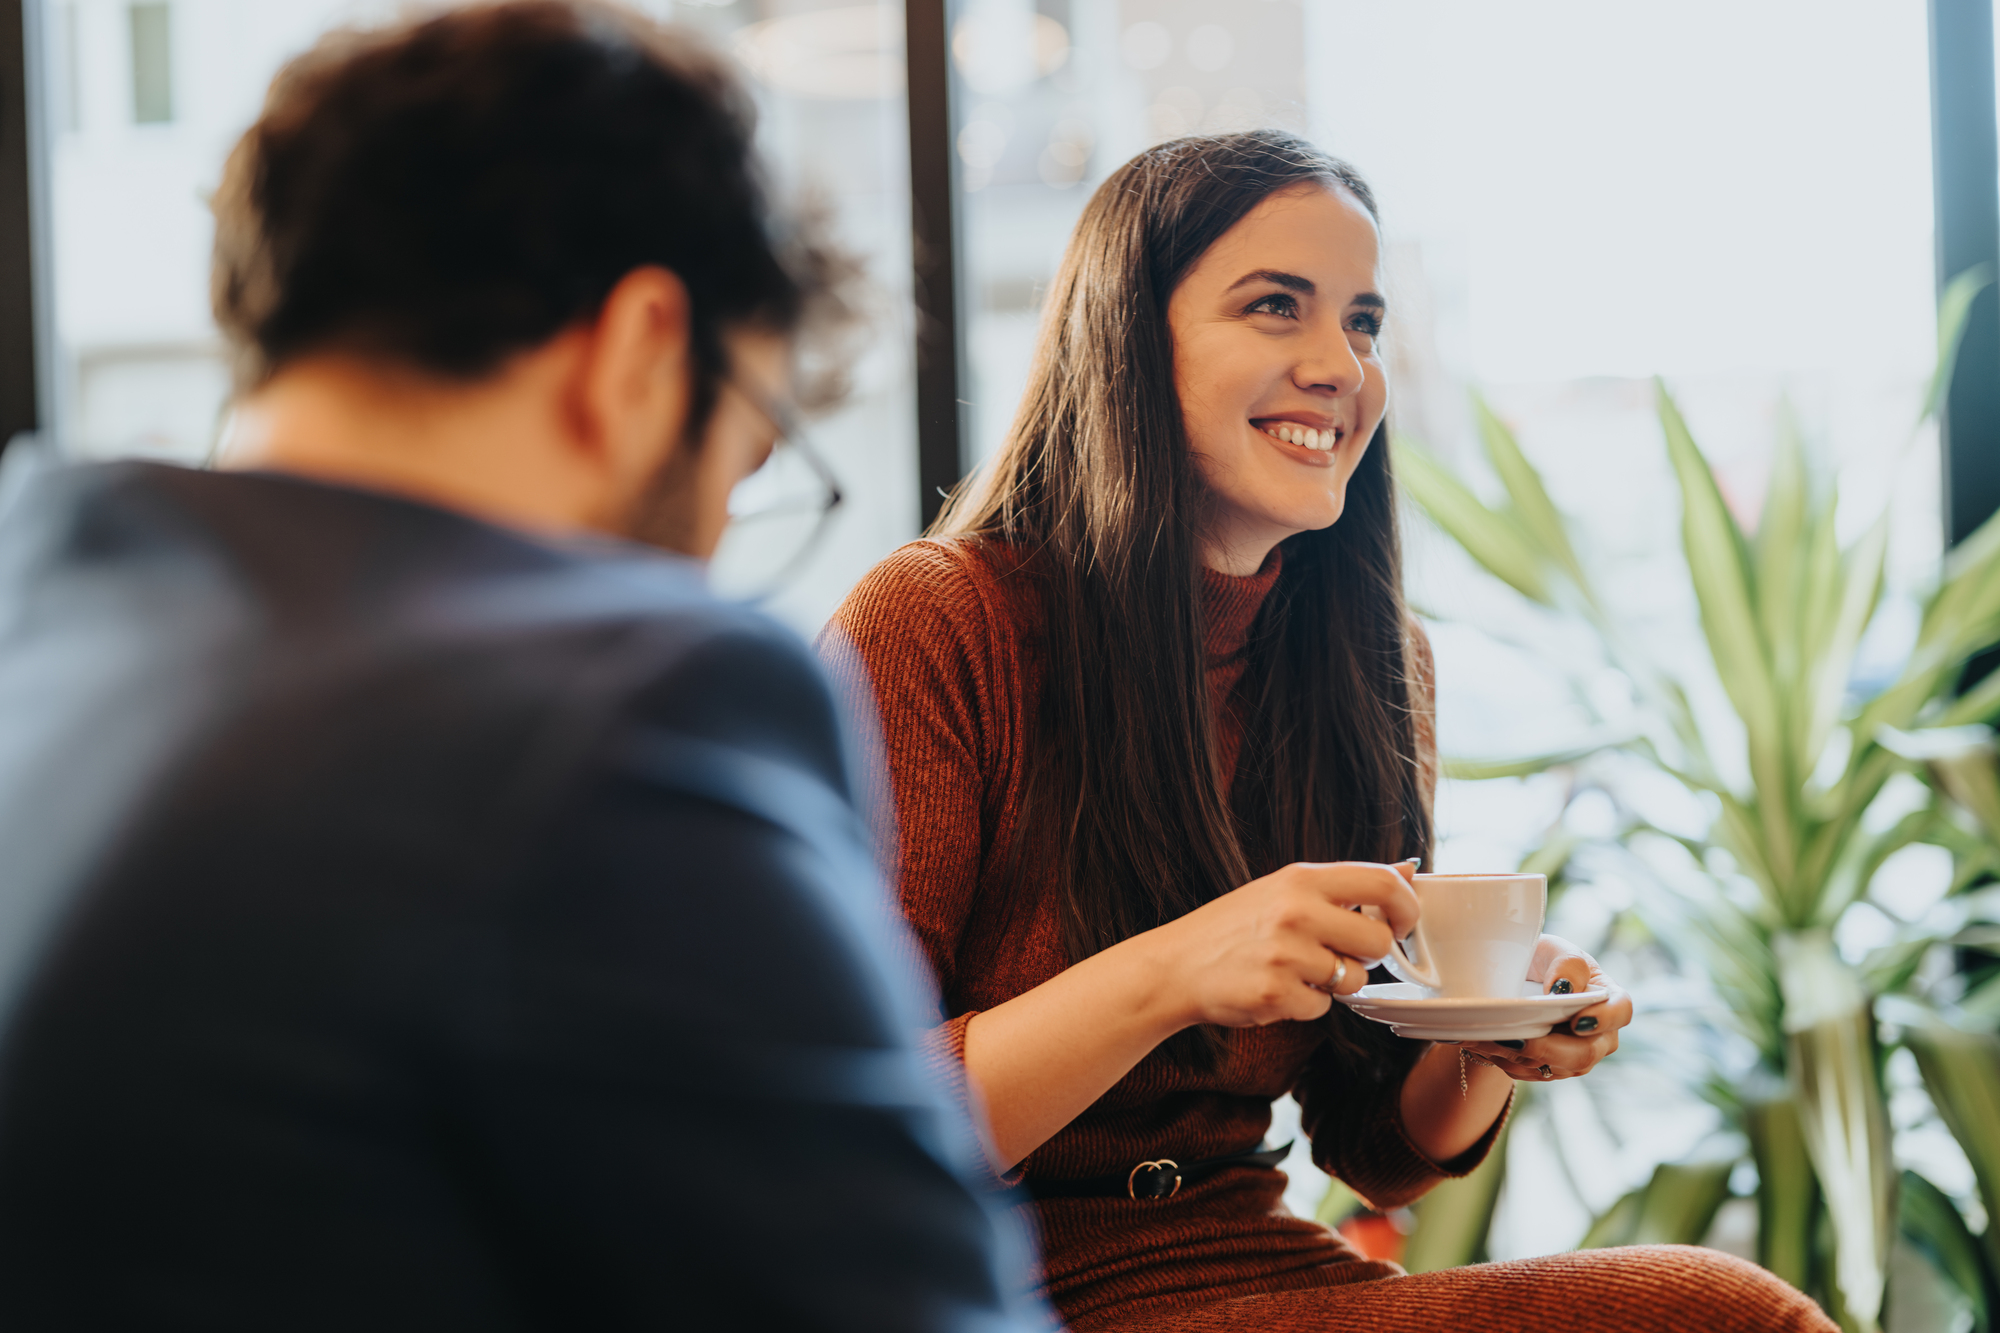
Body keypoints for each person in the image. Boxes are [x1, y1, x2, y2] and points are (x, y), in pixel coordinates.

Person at [0, 4, 1046, 1329]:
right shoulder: (620, 709)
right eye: (743, 465)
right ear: (644, 349)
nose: (715, 540)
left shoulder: (47, 637)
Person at [824, 131, 1835, 1332]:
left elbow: (1375, 1151)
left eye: (1360, 321)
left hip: (1253, 1269)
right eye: (1273, 308)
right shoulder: (941, 621)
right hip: (974, 1288)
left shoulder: (1367, 661)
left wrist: (1488, 1030)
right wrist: (1173, 967)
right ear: (1124, 342)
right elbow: (847, 1130)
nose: (1339, 364)